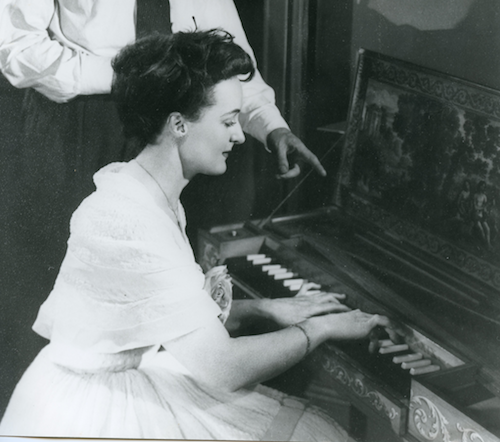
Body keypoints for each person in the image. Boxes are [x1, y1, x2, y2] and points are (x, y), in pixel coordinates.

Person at [0, 30, 395, 440]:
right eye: (228, 121)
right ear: (178, 125)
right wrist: (321, 329)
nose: (240, 135)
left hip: (117, 377)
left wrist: (267, 309)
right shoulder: (130, 217)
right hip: (86, 411)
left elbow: (174, 318)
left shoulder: (146, 192)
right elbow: (224, 369)